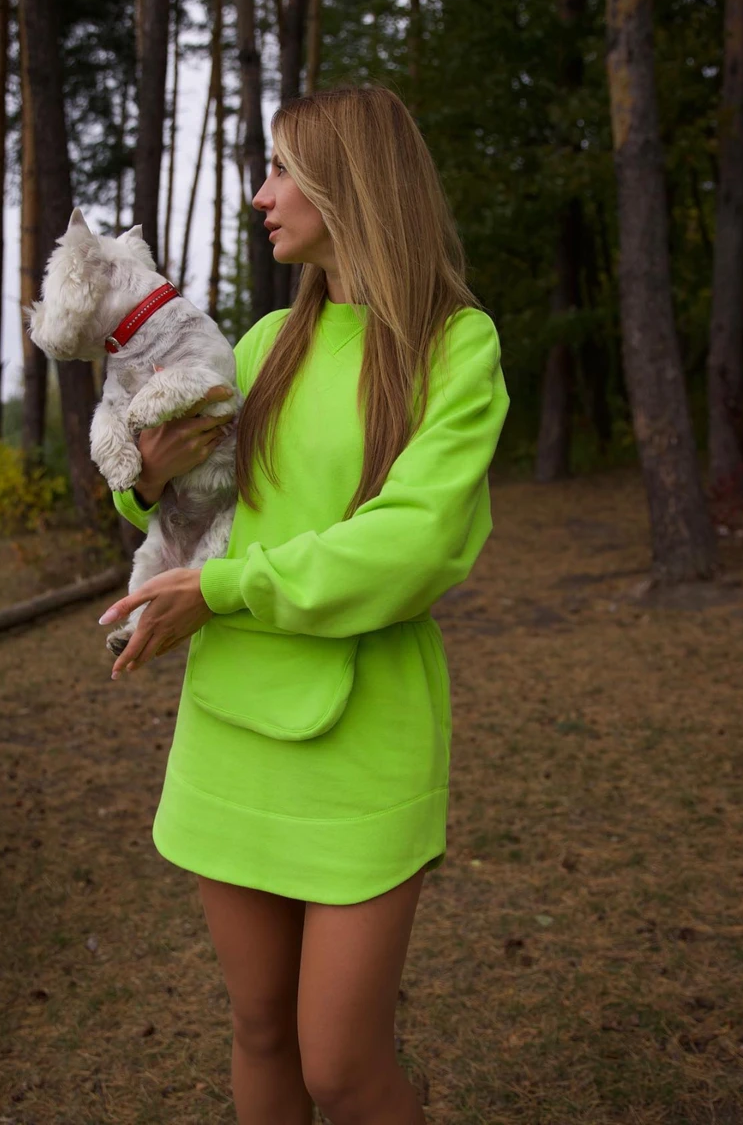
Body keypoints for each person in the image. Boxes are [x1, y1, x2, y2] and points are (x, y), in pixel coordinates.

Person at [98, 85, 510, 1125]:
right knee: (259, 1031)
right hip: (229, 732)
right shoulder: (264, 342)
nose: (260, 194)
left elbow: (414, 543)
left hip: (364, 743)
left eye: (282, 168)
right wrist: (147, 476)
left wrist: (224, 588)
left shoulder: (455, 346)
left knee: (342, 1069)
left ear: (350, 181)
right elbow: (184, 499)